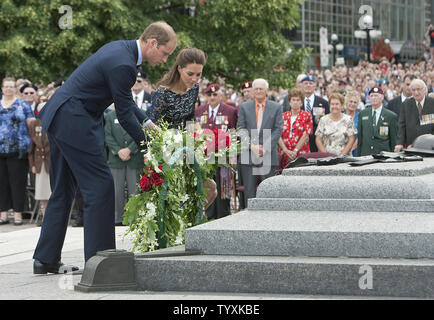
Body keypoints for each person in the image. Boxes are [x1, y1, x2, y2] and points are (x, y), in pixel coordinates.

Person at [33, 21, 178, 274]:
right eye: (165, 53)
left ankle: (45, 259)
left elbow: (124, 101)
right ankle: (101, 263)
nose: (164, 60)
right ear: (152, 43)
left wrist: (148, 122)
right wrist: (150, 148)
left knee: (63, 190)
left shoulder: (120, 51)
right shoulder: (124, 64)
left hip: (61, 116)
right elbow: (123, 114)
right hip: (74, 120)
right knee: (100, 186)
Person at [146, 47, 218, 209]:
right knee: (169, 199)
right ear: (179, 68)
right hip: (165, 151)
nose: (194, 79)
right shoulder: (162, 93)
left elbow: (190, 119)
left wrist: (200, 138)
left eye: (198, 74)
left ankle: (189, 220)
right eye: (190, 74)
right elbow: (152, 127)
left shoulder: (193, 89)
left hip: (187, 148)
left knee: (210, 188)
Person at [237, 78, 283, 208]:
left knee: (268, 193)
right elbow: (240, 129)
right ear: (252, 91)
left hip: (268, 155)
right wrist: (252, 146)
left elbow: (278, 129)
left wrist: (265, 148)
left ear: (266, 91)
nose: (258, 91)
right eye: (256, 88)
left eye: (261, 89)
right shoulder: (244, 107)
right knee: (249, 194)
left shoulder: (276, 107)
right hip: (248, 154)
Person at [195, 83, 238, 220]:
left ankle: (223, 216)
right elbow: (193, 132)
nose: (212, 97)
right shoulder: (199, 111)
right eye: (209, 94)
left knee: (222, 189)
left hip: (222, 158)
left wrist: (232, 156)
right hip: (204, 157)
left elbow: (233, 133)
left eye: (215, 94)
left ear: (221, 96)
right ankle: (207, 215)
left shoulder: (230, 111)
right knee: (207, 186)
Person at [104, 107, 146, 226]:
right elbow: (107, 135)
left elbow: (141, 133)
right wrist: (118, 151)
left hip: (134, 157)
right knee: (117, 191)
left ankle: (136, 217)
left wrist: (130, 149)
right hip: (116, 159)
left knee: (135, 190)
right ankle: (118, 218)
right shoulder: (110, 116)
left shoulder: (136, 114)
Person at [0, 77, 33, 226]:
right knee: (2, 183)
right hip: (0, 150)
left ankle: (18, 214)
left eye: (11, 86)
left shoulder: (23, 105)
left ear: (15, 89)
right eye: (6, 86)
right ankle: (3, 214)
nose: (8, 89)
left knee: (17, 183)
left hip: (18, 150)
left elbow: (32, 125)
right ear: (2, 88)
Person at [394, 79, 434, 152]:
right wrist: (400, 143)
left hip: (430, 147)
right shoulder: (406, 104)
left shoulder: (432, 103)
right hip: (411, 146)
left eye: (418, 89)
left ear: (424, 90)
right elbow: (401, 126)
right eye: (413, 90)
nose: (416, 93)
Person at [357, 87, 398, 156]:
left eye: (376, 95)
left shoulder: (391, 116)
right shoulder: (363, 114)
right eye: (371, 96)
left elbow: (393, 140)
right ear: (369, 98)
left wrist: (392, 156)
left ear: (382, 97)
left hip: (383, 156)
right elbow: (360, 138)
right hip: (366, 154)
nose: (374, 98)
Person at [278, 88, 313, 169]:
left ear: (301, 102)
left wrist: (295, 151)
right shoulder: (282, 116)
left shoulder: (307, 116)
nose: (295, 102)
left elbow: (305, 136)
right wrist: (286, 150)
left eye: (298, 100)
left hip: (301, 153)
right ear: (289, 102)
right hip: (284, 153)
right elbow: (278, 134)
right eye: (293, 100)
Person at [28, 107, 51, 227]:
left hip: (52, 163)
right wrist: (32, 164)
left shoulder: (54, 119)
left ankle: (53, 219)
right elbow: (31, 147)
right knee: (43, 195)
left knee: (53, 193)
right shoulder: (34, 124)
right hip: (40, 164)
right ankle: (45, 218)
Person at [301, 74, 330, 152]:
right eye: (306, 83)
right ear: (301, 85)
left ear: (315, 86)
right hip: (299, 140)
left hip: (317, 142)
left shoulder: (323, 102)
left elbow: (327, 123)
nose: (308, 85)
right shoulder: (297, 102)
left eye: (311, 83)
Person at [344, 90, 361, 156]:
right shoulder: (341, 116)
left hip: (356, 150)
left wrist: (352, 148)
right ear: (346, 102)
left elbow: (362, 135)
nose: (352, 104)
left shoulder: (360, 117)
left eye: (355, 102)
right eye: (350, 101)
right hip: (341, 150)